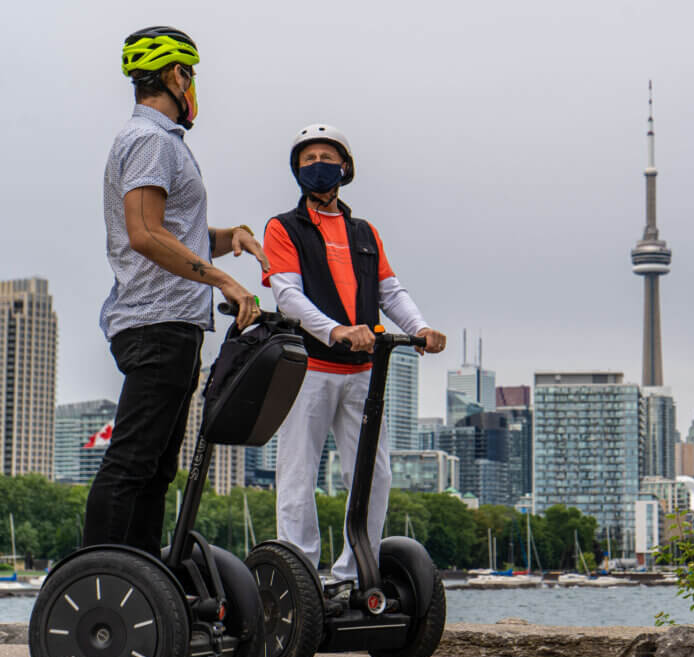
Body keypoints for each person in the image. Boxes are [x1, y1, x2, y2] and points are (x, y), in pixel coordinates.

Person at [84, 26, 269, 557]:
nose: (193, 89)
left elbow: (173, 232)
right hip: (155, 323)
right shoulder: (149, 140)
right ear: (174, 76)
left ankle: (138, 580)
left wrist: (225, 238)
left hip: (174, 325)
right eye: (190, 76)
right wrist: (224, 281)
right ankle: (93, 585)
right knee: (132, 462)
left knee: (156, 469)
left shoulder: (162, 143)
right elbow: (144, 233)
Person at [262, 123, 446, 603]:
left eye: (326, 155)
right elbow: (287, 295)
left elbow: (390, 291)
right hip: (310, 370)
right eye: (307, 158)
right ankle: (299, 576)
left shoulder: (364, 232)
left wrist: (421, 328)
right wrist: (335, 330)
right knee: (298, 473)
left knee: (373, 474)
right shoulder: (283, 227)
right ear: (296, 170)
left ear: (345, 168)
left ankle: (349, 573)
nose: (316, 164)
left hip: (363, 374)